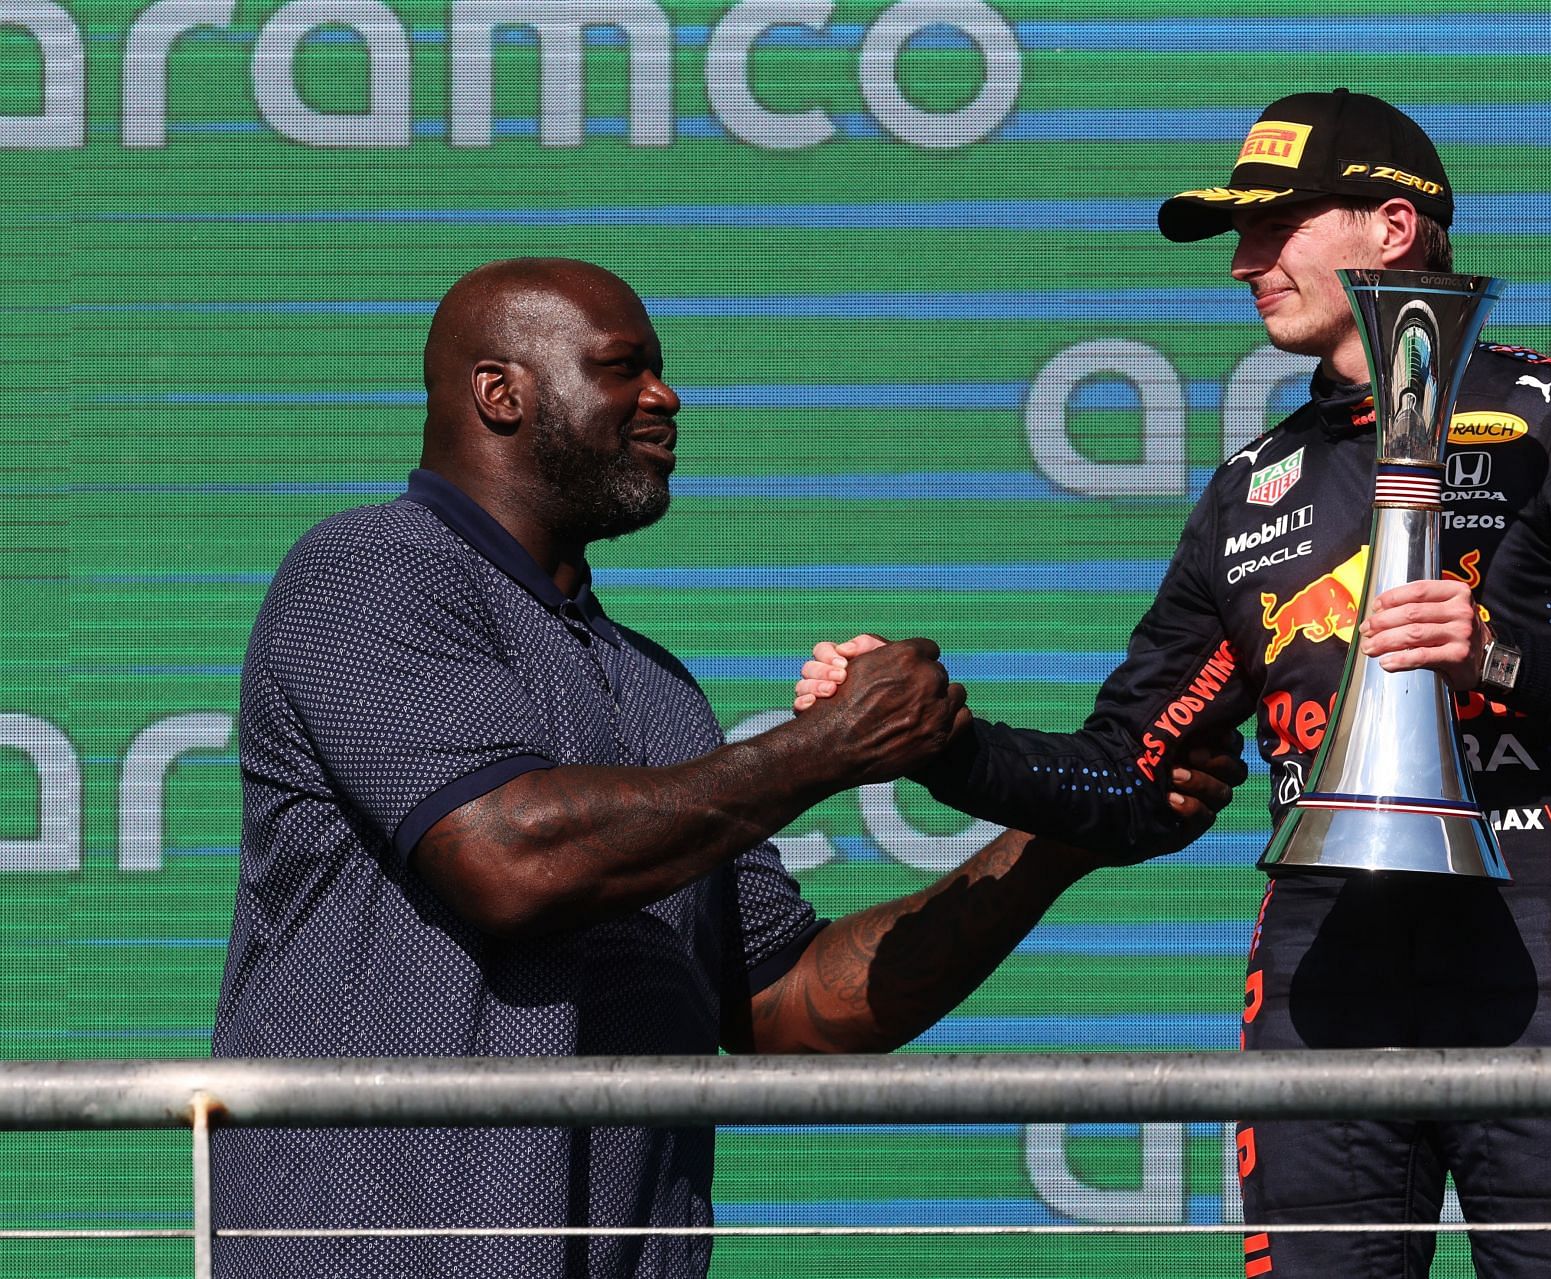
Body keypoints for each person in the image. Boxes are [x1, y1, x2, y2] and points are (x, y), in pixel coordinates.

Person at [796, 89, 1551, 1278]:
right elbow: (1131, 777)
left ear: (1392, 228)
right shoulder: (1252, 489)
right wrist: (936, 741)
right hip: (1318, 978)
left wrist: (1500, 652)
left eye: (1274, 226)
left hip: (1542, 964)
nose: (1245, 263)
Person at [208, 256, 1244, 1279]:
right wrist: (832, 745)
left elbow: (792, 1009)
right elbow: (506, 858)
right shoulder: (368, 570)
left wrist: (1058, 839)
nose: (665, 397)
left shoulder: (655, 687)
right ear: (501, 392)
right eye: (624, 367)